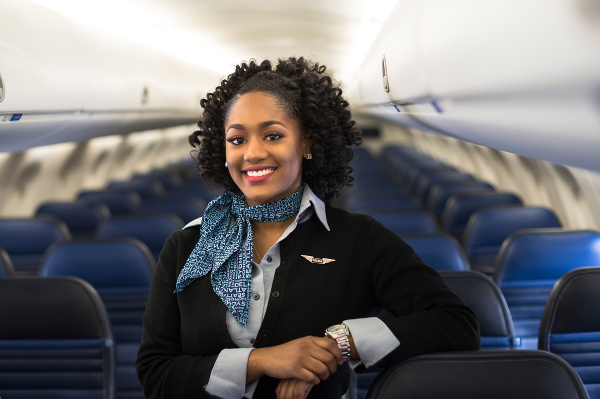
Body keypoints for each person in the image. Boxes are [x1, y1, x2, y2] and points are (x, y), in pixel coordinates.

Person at [135, 57, 480, 399]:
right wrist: (262, 361)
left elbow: (455, 322)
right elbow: (155, 373)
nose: (252, 153)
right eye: (237, 140)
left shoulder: (356, 239)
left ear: (307, 143)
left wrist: (339, 344)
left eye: (272, 135)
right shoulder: (186, 247)